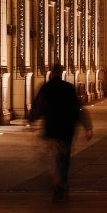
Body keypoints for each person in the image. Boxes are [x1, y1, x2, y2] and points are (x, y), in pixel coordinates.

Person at [29, 64, 93, 202]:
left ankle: (57, 183)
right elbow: (78, 108)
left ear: (52, 73)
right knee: (64, 157)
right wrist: (87, 127)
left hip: (51, 129)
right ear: (61, 73)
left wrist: (31, 120)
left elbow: (38, 106)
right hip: (67, 129)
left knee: (53, 157)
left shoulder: (46, 88)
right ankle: (62, 182)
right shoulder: (68, 88)